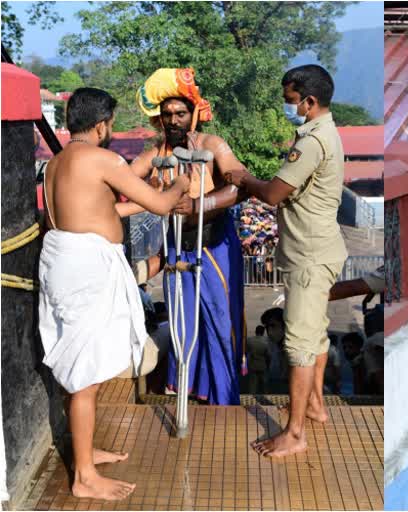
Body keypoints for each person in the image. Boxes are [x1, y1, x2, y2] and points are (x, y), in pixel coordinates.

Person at [38, 88, 190, 500]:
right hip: (87, 270)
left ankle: (85, 452)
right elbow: (160, 204)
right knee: (85, 379)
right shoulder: (105, 159)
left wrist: (150, 201)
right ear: (103, 124)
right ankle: (84, 476)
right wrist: (180, 186)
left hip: (67, 262)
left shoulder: (56, 164)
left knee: (85, 370)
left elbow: (97, 211)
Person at [223, 65, 348, 457]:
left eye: (291, 101)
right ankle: (313, 405)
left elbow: (274, 194)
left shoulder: (312, 142)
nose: (287, 108)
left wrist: (244, 179)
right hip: (317, 248)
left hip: (309, 257)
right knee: (316, 334)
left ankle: (294, 434)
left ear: (310, 102)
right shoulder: (323, 132)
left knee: (298, 345)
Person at [130, 68, 248, 405]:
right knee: (184, 323)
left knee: (219, 324)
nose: (173, 120)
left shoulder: (213, 145)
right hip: (177, 248)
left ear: (193, 113)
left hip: (214, 246)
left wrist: (198, 204)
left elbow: (240, 184)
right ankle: (191, 395)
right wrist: (146, 187)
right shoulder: (156, 152)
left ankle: (224, 399)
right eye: (166, 114)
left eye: (180, 113)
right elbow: (124, 179)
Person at [261, 307, 289, 393]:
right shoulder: (273, 345)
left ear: (285, 326)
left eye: (273, 326)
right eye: (267, 327)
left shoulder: (293, 349)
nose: (269, 332)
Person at [241, 326, 270, 394]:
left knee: (252, 384)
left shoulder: (249, 340)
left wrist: (244, 368)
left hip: (252, 365)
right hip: (263, 365)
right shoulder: (266, 341)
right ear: (263, 332)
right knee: (264, 384)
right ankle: (265, 397)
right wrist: (268, 365)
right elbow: (269, 355)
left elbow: (244, 353)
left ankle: (252, 397)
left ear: (255, 331)